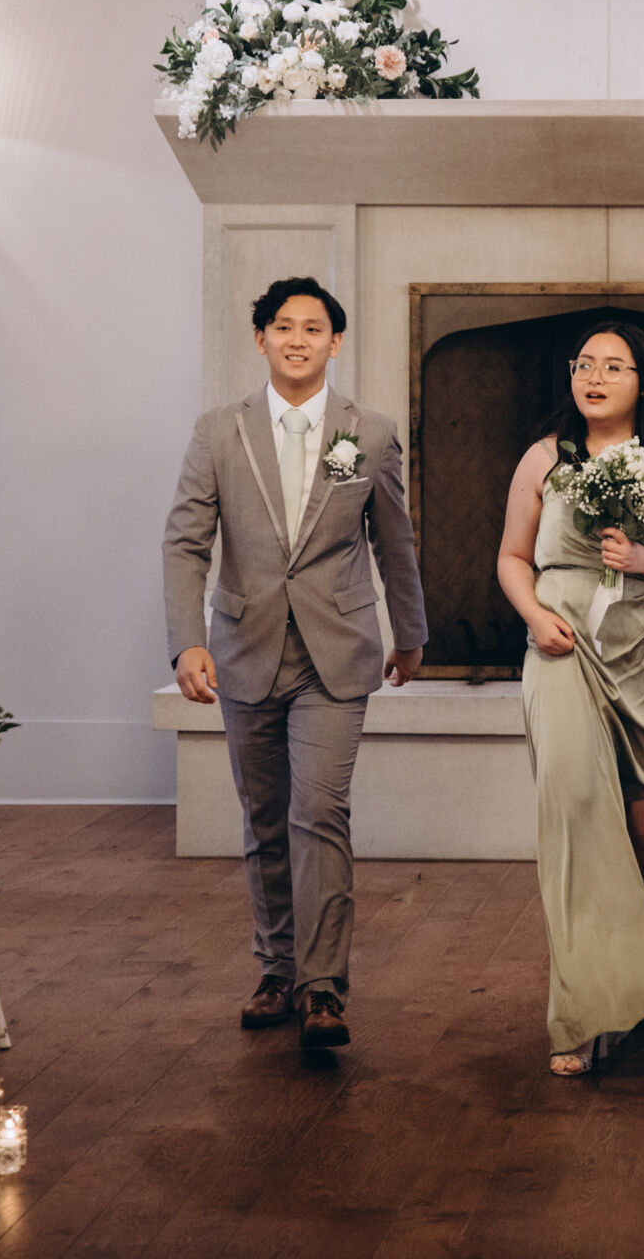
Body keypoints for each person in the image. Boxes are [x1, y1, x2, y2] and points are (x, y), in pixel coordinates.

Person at [163, 276, 427, 1050]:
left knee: (319, 812)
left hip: (336, 655)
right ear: (261, 339)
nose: (298, 339)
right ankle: (277, 969)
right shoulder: (218, 432)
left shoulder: (370, 433)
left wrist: (410, 632)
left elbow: (395, 541)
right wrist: (186, 640)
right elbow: (185, 542)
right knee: (264, 817)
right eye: (283, 326)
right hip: (244, 650)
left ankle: (322, 988)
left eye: (314, 328)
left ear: (335, 342)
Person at [497, 320, 644, 1076]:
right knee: (573, 811)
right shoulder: (544, 458)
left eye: (613, 366)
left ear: (642, 380)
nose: (593, 378)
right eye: (584, 364)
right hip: (562, 651)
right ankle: (583, 1012)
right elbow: (511, 557)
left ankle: (643, 976)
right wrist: (535, 618)